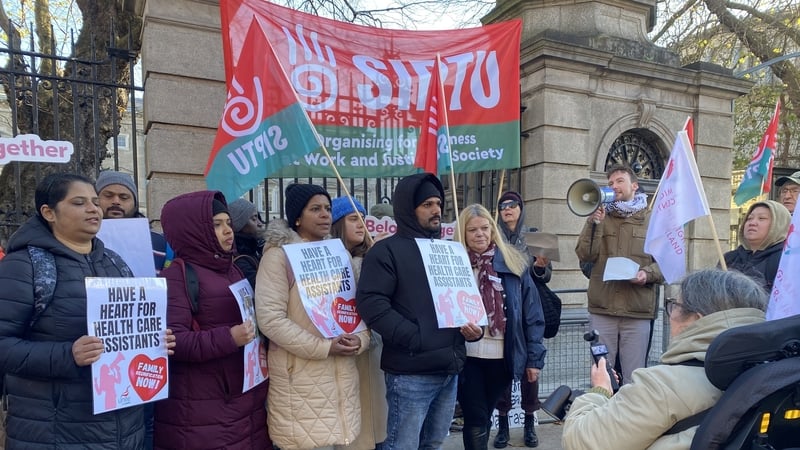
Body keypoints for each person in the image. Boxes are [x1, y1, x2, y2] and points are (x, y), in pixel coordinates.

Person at [0, 172, 175, 448]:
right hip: (56, 431)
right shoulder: (24, 266)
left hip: (123, 428)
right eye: (79, 203)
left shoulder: (115, 262)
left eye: (94, 201)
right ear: (49, 212)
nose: (94, 209)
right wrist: (68, 355)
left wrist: (154, 341)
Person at [562, 269, 767, 449]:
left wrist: (599, 391)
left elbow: (581, 441)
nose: (670, 315)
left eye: (674, 305)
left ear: (697, 319)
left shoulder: (662, 386)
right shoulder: (768, 371)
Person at [356, 173, 483, 450]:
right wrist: (416, 338)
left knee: (433, 443)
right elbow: (371, 303)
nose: (436, 210)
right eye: (427, 204)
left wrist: (476, 329)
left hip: (449, 370)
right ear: (407, 208)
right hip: (410, 374)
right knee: (401, 446)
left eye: (438, 203)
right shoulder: (385, 252)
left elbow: (465, 301)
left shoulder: (449, 251)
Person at [255, 184, 370, 450]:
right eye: (315, 209)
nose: (324, 215)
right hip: (300, 380)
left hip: (342, 380)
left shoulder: (338, 254)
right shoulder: (278, 258)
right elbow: (270, 319)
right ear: (297, 217)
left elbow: (355, 310)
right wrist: (324, 347)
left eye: (328, 209)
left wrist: (360, 340)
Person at [154, 190, 270, 449]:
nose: (228, 231)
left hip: (243, 396)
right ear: (193, 230)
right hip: (201, 406)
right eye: (216, 225)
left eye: (228, 223)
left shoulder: (233, 268)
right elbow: (175, 342)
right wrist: (230, 337)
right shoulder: (177, 276)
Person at [456, 204, 546, 450]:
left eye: (485, 228)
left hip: (502, 357)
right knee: (475, 417)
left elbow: (532, 315)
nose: (480, 234)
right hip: (466, 357)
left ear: (493, 230)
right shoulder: (454, 265)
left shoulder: (514, 262)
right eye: (472, 230)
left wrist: (534, 360)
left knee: (484, 416)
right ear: (462, 233)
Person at [574, 165, 663, 386]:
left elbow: (666, 263)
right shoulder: (600, 215)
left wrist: (647, 274)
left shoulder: (652, 219)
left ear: (634, 185)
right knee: (602, 374)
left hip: (637, 310)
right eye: (611, 183)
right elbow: (585, 254)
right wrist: (593, 223)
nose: (614, 186)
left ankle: (631, 420)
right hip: (603, 308)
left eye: (619, 181)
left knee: (634, 378)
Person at [494, 191, 552, 448]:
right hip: (503, 311)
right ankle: (503, 426)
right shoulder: (492, 237)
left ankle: (530, 422)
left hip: (529, 310)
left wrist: (540, 266)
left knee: (531, 372)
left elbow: (545, 275)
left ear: (521, 207)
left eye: (512, 205)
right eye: (502, 206)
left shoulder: (535, 235)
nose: (507, 209)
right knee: (502, 371)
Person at [330, 196, 388, 449]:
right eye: (353, 219)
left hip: (372, 348)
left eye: (364, 219)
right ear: (337, 224)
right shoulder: (328, 259)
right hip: (341, 351)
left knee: (373, 421)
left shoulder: (373, 257)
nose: (361, 225)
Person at [96, 170, 172, 274]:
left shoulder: (159, 243)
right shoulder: (78, 240)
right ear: (95, 200)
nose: (116, 201)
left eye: (124, 197)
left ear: (135, 204)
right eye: (108, 195)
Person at [723, 200, 790, 292]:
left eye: (761, 218)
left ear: (779, 224)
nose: (752, 223)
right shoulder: (729, 258)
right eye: (749, 218)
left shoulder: (787, 260)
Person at [228, 198, 266, 289]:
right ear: (240, 225)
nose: (260, 223)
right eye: (254, 218)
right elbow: (264, 288)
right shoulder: (240, 260)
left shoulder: (255, 249)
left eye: (259, 218)